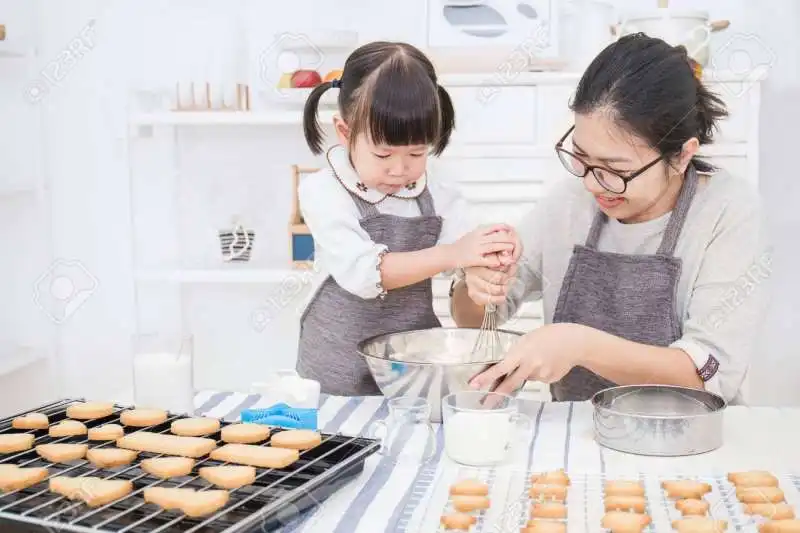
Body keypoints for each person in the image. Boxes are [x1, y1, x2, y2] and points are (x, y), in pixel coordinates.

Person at [451, 33, 771, 405]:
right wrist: (474, 282)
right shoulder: (568, 203)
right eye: (582, 157)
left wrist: (580, 344)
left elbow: (707, 377)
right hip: (578, 442)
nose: (591, 182)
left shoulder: (728, 212)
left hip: (692, 443)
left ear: (682, 156)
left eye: (615, 169)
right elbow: (474, 317)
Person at [296, 41, 520, 396]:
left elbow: (471, 244)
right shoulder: (324, 192)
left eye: (417, 153)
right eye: (383, 153)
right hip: (334, 370)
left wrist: (493, 254)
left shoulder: (439, 196)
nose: (400, 169)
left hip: (410, 363)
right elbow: (364, 274)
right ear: (344, 131)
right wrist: (454, 254)